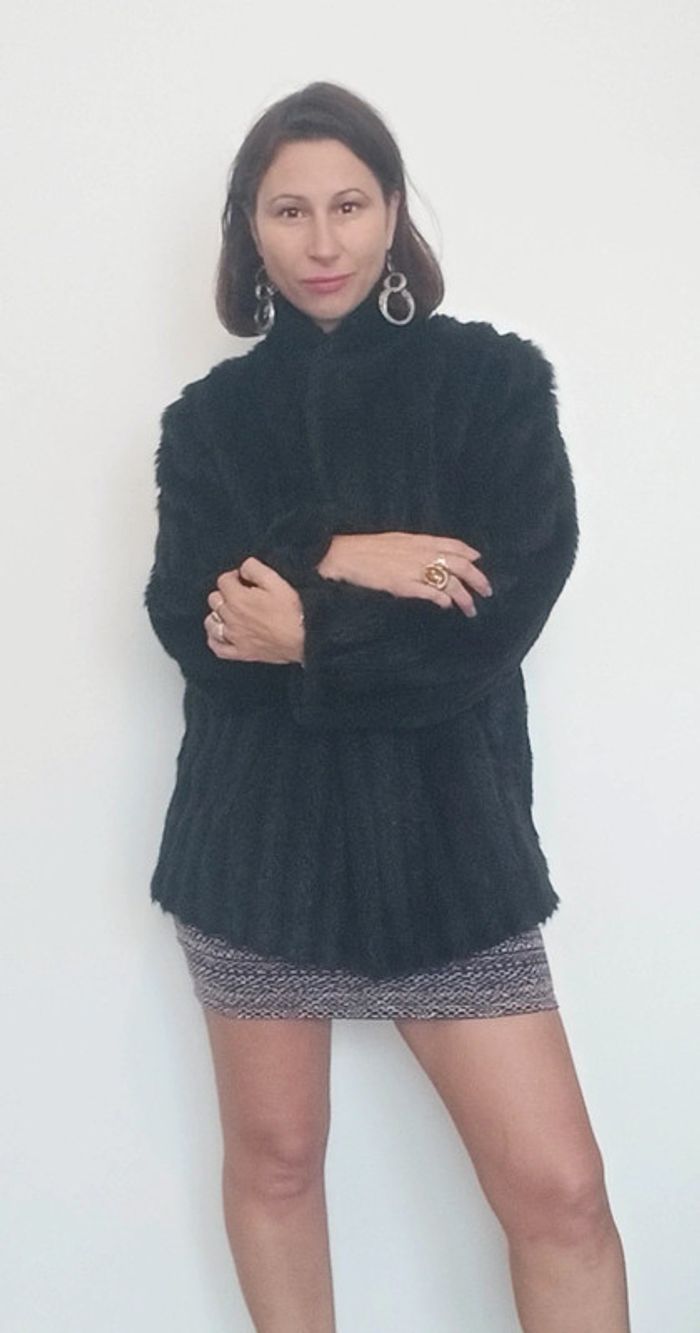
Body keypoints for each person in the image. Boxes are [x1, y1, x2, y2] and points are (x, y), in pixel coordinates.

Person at [144, 80, 630, 1332]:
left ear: (393, 210)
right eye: (287, 210)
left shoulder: (491, 383)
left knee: (561, 1195)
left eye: (349, 205)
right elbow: (193, 622)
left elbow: (497, 614)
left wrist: (304, 624)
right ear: (248, 228)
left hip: (446, 854)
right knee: (276, 1166)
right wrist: (341, 551)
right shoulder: (208, 422)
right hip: (254, 852)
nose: (321, 241)